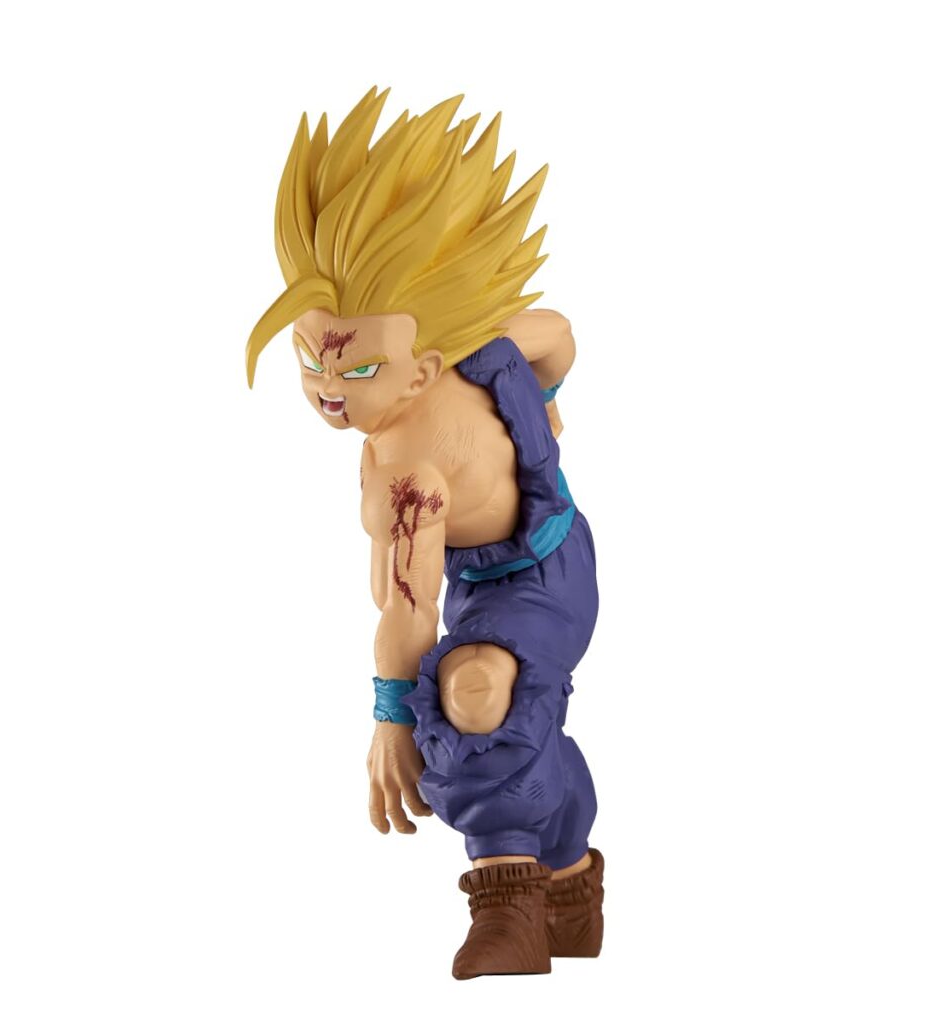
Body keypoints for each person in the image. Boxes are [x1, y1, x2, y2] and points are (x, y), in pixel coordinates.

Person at [246, 86, 604, 980]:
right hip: (500, 576)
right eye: (310, 357)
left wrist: (393, 718)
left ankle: (508, 904)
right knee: (495, 699)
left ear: (426, 368)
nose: (329, 390)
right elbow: (557, 335)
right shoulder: (435, 411)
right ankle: (568, 884)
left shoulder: (438, 420)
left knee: (470, 696)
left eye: (358, 366)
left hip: (550, 567)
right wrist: (547, 399)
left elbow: (409, 608)